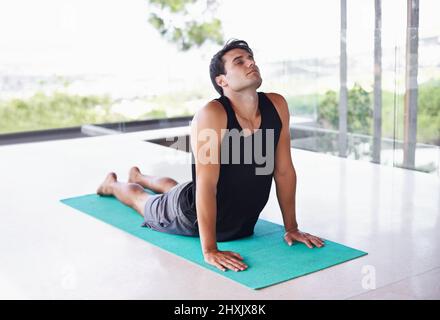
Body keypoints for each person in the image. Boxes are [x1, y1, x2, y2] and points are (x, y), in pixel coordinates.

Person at [97, 39, 324, 272]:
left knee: (177, 188)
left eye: (251, 59)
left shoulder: (276, 105)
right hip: (189, 213)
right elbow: (206, 186)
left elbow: (284, 170)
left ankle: (141, 176)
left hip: (237, 220)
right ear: (222, 80)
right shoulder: (212, 114)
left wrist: (292, 227)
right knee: (143, 200)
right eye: (240, 61)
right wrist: (210, 249)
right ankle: (113, 185)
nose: (250, 63)